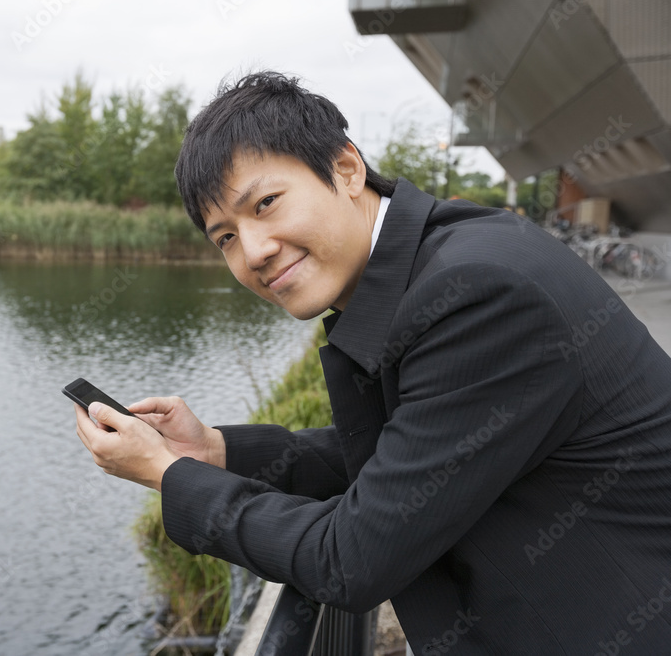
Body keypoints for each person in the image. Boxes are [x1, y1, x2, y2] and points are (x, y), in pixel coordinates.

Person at [73, 71, 671, 653]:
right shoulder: (438, 261)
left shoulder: (478, 293)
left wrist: (169, 475)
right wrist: (215, 452)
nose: (253, 252)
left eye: (266, 203)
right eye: (225, 236)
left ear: (346, 169)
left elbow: (350, 560)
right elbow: (414, 454)